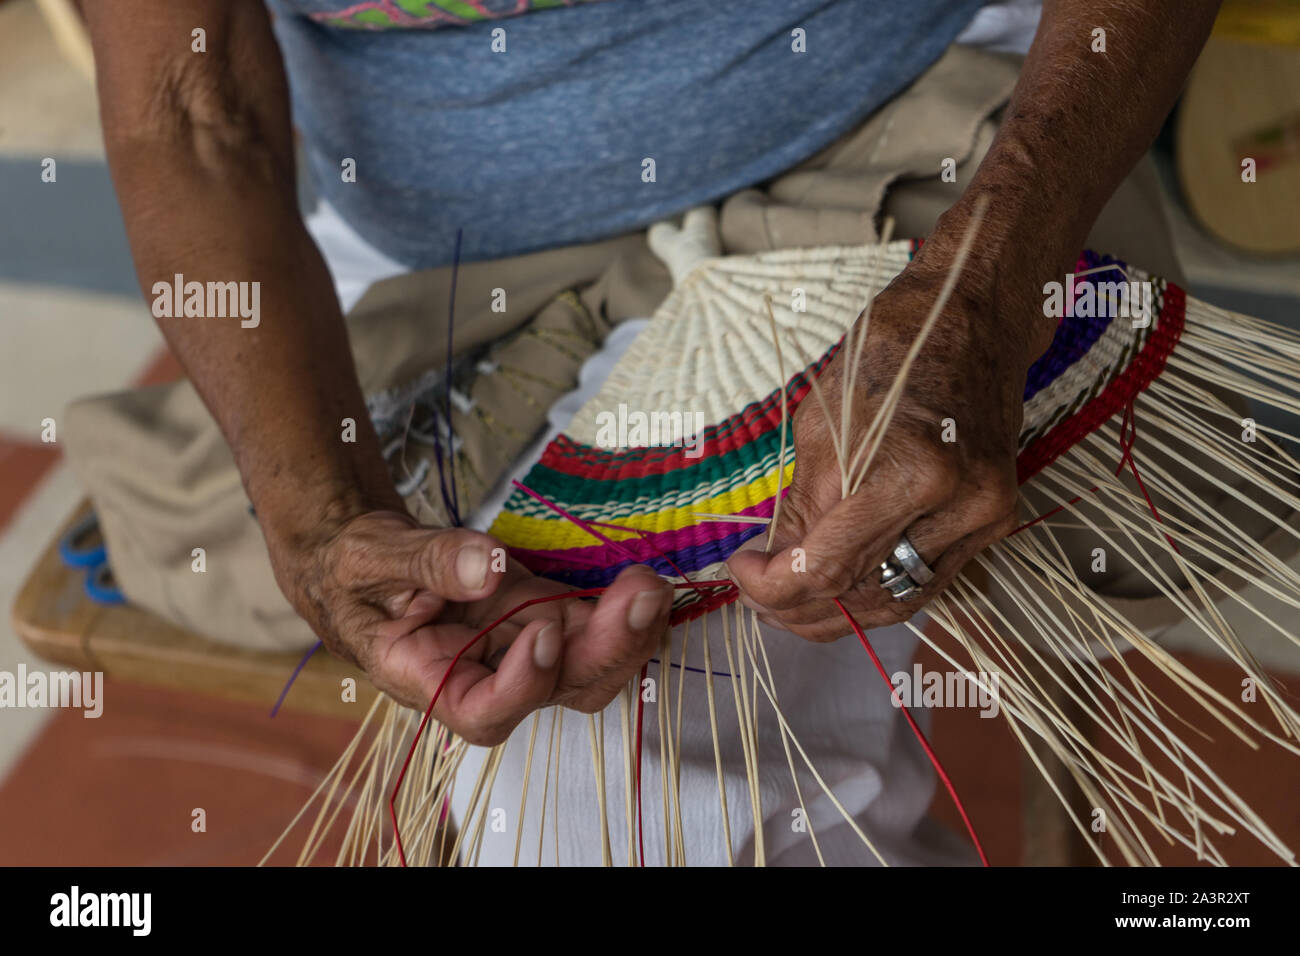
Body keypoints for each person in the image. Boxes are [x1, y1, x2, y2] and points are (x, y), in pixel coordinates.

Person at [83, 0, 1222, 861]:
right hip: (448, 258)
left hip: (920, 121)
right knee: (524, 662)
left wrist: (985, 287)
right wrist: (315, 518)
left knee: (612, 769)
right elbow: (187, 106)